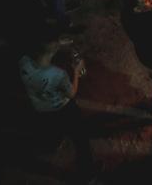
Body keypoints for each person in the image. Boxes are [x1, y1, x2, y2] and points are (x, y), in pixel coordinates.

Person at [18, 36, 98, 182]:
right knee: (81, 139)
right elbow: (71, 93)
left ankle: (51, 145)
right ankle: (88, 173)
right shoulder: (57, 74)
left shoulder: (24, 61)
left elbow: (45, 48)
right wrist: (76, 71)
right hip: (63, 109)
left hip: (41, 109)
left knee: (52, 130)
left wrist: (59, 44)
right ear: (51, 53)